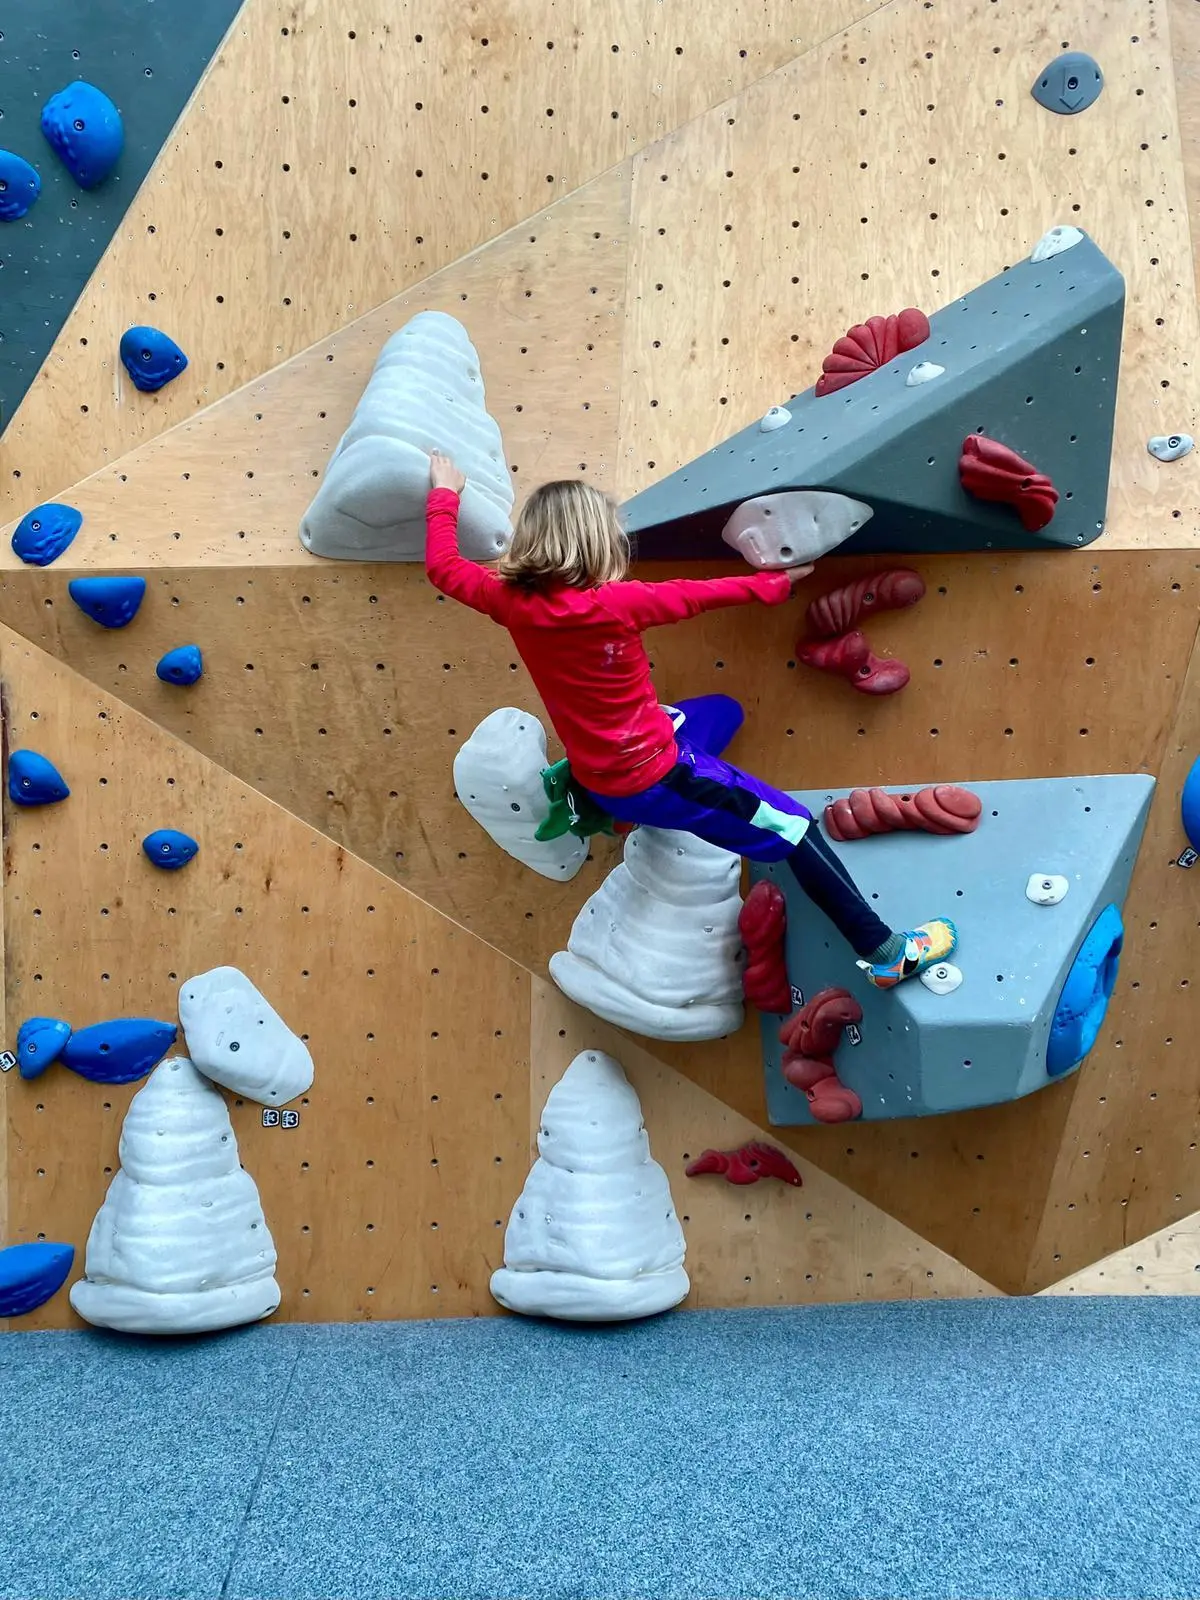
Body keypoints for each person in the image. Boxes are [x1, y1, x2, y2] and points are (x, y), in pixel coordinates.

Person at [425, 452, 956, 988]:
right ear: (596, 542)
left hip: (604, 772)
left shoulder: (507, 600)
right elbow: (701, 596)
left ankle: (630, 810)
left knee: (720, 713)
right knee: (792, 827)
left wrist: (444, 493)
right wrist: (777, 584)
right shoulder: (617, 603)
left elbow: (443, 568)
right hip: (657, 776)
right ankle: (886, 951)